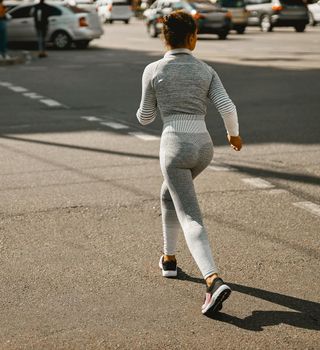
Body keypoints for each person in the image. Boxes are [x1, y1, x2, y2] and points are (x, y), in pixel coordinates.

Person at [136, 10, 243, 316]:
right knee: (168, 194)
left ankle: (212, 280)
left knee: (190, 215)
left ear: (164, 38)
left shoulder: (153, 70)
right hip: (203, 147)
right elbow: (228, 107)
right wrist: (234, 136)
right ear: (193, 37)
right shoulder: (206, 70)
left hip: (175, 149)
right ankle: (169, 260)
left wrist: (154, 105)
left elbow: (145, 117)